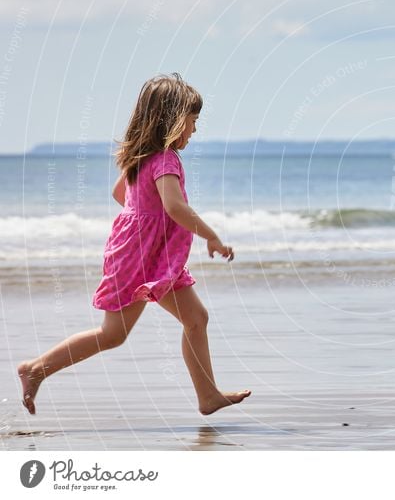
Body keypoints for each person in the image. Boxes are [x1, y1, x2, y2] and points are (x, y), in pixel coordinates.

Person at [17, 73, 251, 416]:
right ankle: (35, 369)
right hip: (142, 257)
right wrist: (211, 236)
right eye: (192, 121)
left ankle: (207, 396)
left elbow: (120, 194)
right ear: (171, 120)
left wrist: (143, 221)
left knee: (195, 317)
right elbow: (174, 206)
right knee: (114, 334)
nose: (195, 130)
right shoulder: (166, 159)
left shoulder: (140, 157)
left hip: (143, 253)